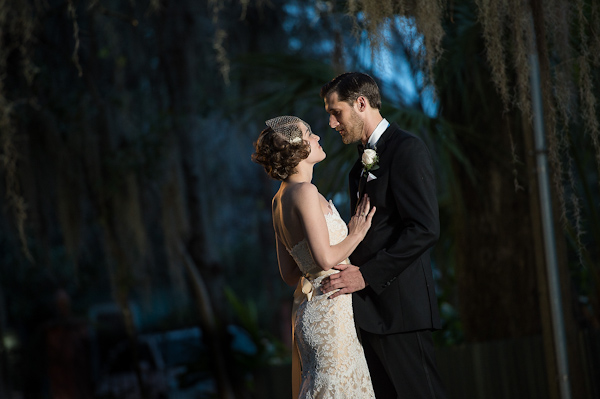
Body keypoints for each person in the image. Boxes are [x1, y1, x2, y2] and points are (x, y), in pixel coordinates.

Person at [320, 72, 447, 399]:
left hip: (401, 312)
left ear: (361, 103)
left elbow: (424, 228)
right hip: (370, 313)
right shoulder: (359, 166)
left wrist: (366, 276)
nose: (333, 124)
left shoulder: (407, 149)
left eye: (337, 112)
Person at [252, 115, 376, 398]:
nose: (318, 137)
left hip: (311, 312)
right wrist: (355, 233)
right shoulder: (305, 192)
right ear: (297, 149)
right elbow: (324, 258)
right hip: (331, 312)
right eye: (309, 134)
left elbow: (289, 274)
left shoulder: (279, 199)